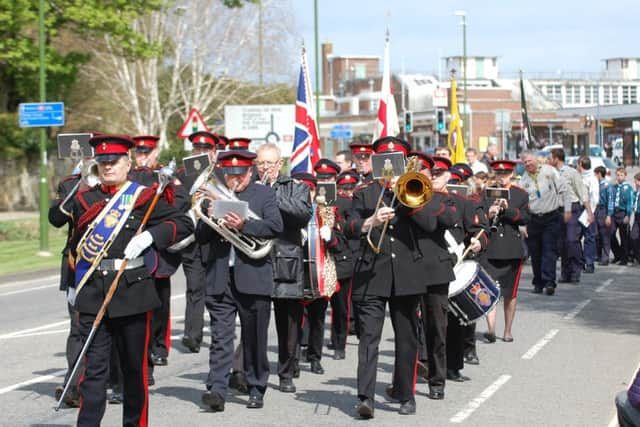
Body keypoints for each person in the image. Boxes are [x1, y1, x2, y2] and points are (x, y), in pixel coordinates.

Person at [50, 134, 193, 426]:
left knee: (133, 372)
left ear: (128, 163)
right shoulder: (83, 197)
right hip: (92, 293)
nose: (108, 167)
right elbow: (59, 222)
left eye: (114, 162)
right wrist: (76, 181)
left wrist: (150, 236)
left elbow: (183, 223)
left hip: (132, 293)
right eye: (102, 162)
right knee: (93, 374)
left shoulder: (144, 197)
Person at [345, 138, 459, 417]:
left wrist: (408, 198)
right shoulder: (364, 192)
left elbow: (433, 223)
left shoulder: (415, 190)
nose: (389, 168)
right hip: (371, 272)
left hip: (407, 273)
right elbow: (347, 225)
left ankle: (407, 395)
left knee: (407, 338)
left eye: (395, 162)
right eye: (384, 162)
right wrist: (370, 222)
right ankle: (366, 398)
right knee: (369, 338)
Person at [199, 150, 283, 412]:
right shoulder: (213, 196)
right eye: (230, 175)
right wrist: (210, 218)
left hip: (253, 275)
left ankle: (256, 387)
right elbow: (200, 237)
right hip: (221, 276)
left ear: (251, 172)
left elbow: (275, 227)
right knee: (220, 337)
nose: (235, 180)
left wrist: (244, 225)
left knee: (255, 337)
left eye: (240, 174)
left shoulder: (264, 194)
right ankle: (217, 389)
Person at [256, 143, 312, 393]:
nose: (265, 168)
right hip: (255, 260)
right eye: (261, 163)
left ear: (280, 164)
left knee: (288, 322)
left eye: (270, 163)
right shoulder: (249, 188)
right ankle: (247, 369)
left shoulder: (295, 187)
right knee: (253, 319)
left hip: (285, 259)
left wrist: (270, 195)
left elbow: (302, 214)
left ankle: (286, 372)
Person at [50, 156, 93, 408]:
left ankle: (117, 381)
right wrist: (81, 182)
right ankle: (74, 385)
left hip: (114, 265)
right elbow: (55, 219)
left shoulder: (126, 186)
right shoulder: (70, 185)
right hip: (78, 264)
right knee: (77, 326)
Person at [175, 131, 220, 353]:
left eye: (206, 150)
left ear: (214, 152)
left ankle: (219, 332)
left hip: (216, 239)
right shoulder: (182, 175)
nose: (201, 153)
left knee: (216, 289)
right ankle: (192, 335)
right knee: (194, 287)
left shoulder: (221, 174)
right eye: (197, 150)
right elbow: (176, 204)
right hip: (192, 240)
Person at [482, 161, 530, 342]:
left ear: (511, 174)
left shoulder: (520, 194)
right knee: (489, 289)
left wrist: (507, 209)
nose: (501, 176)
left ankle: (508, 330)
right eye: (498, 173)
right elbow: (478, 216)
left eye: (505, 173)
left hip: (511, 248)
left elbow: (525, 217)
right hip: (491, 248)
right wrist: (490, 213)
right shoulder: (486, 193)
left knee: (510, 293)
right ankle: (491, 329)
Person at [519, 150, 568, 295]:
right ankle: (538, 282)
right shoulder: (523, 180)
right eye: (525, 162)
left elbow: (564, 190)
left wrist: (568, 210)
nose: (528, 164)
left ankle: (549, 282)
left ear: (536, 160)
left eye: (529, 161)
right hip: (533, 219)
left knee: (549, 250)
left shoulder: (549, 171)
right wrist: (522, 225)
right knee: (536, 252)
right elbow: (521, 204)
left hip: (551, 217)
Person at [549, 148, 593, 284]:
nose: (549, 160)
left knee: (571, 240)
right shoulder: (550, 174)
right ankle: (565, 272)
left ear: (557, 158)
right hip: (558, 210)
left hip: (572, 209)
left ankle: (576, 269)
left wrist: (589, 212)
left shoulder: (571, 172)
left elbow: (582, 192)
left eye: (550, 158)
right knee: (561, 243)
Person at [331, 170, 359, 357]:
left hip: (345, 259)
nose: (347, 191)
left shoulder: (354, 204)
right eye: (343, 188)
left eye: (350, 188)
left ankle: (339, 343)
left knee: (341, 305)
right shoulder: (334, 203)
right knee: (337, 305)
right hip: (335, 257)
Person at [576, 156, 599, 273]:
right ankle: (579, 262)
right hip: (578, 208)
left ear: (580, 164)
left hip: (588, 209)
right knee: (575, 238)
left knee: (589, 238)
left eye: (577, 164)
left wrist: (589, 213)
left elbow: (595, 198)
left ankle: (589, 263)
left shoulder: (592, 178)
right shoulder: (578, 177)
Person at [607, 167, 633, 265]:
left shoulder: (628, 188)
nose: (619, 177)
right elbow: (611, 200)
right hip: (614, 213)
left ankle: (624, 258)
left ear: (625, 176)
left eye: (621, 175)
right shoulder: (613, 187)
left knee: (624, 236)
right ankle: (617, 254)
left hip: (623, 213)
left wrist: (628, 215)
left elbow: (629, 202)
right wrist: (609, 214)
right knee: (610, 233)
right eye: (617, 175)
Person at [594, 166, 612, 265]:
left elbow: (610, 201)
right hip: (597, 210)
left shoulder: (607, 185)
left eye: (595, 174)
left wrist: (609, 215)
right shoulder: (597, 184)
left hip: (603, 210)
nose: (594, 176)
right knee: (597, 234)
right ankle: (598, 255)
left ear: (599, 174)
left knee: (605, 235)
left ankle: (605, 258)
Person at [630, 173, 640, 264]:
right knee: (633, 236)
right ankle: (637, 256)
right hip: (637, 216)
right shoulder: (636, 192)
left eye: (636, 181)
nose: (635, 183)